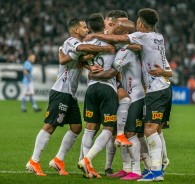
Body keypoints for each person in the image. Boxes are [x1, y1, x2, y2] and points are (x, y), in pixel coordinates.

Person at [84, 8, 172, 181]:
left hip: (147, 93)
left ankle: (154, 168)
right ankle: (153, 166)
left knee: (143, 131)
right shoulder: (158, 38)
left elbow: (120, 43)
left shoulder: (139, 40)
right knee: (147, 131)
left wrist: (96, 37)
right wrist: (164, 72)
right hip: (157, 89)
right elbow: (169, 71)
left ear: (140, 24)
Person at [26, 18, 115, 176]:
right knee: (50, 125)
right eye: (84, 27)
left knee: (76, 127)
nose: (87, 29)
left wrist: (89, 65)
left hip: (70, 95)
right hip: (61, 91)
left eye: (87, 27)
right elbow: (80, 50)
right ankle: (34, 161)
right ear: (75, 30)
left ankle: (58, 160)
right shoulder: (71, 41)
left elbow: (77, 59)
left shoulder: (75, 47)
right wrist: (106, 48)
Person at [89, 19, 144, 180]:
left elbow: (109, 73)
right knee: (123, 135)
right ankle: (127, 168)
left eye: (117, 31)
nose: (112, 34)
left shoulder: (125, 51)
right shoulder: (126, 48)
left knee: (130, 133)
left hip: (136, 96)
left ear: (123, 35)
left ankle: (137, 170)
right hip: (130, 95)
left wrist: (92, 74)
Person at [77, 13, 118, 179]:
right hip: (107, 88)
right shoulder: (112, 39)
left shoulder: (87, 42)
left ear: (90, 27)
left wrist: (89, 68)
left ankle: (86, 164)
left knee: (90, 127)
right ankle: (87, 160)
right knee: (108, 128)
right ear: (103, 24)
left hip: (91, 88)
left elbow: (79, 60)